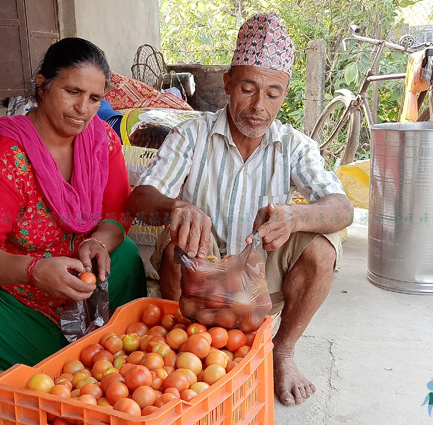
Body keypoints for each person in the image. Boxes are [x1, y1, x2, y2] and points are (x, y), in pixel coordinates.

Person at [127, 13, 354, 406]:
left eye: (273, 93)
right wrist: (177, 206)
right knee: (176, 237)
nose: (258, 107)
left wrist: (294, 216)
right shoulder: (191, 135)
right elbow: (139, 198)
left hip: (261, 280)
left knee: (322, 247)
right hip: (199, 274)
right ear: (228, 84)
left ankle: (281, 352)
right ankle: (189, 340)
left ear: (285, 94)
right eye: (248, 88)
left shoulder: (294, 145)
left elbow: (342, 208)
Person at [0, 38, 146, 370]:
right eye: (72, 92)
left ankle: (111, 336)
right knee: (63, 373)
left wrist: (98, 241)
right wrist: (35, 271)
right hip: (18, 288)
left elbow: (117, 213)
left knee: (125, 253)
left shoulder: (103, 141)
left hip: (81, 273)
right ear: (43, 86)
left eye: (94, 98)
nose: (82, 109)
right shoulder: (8, 154)